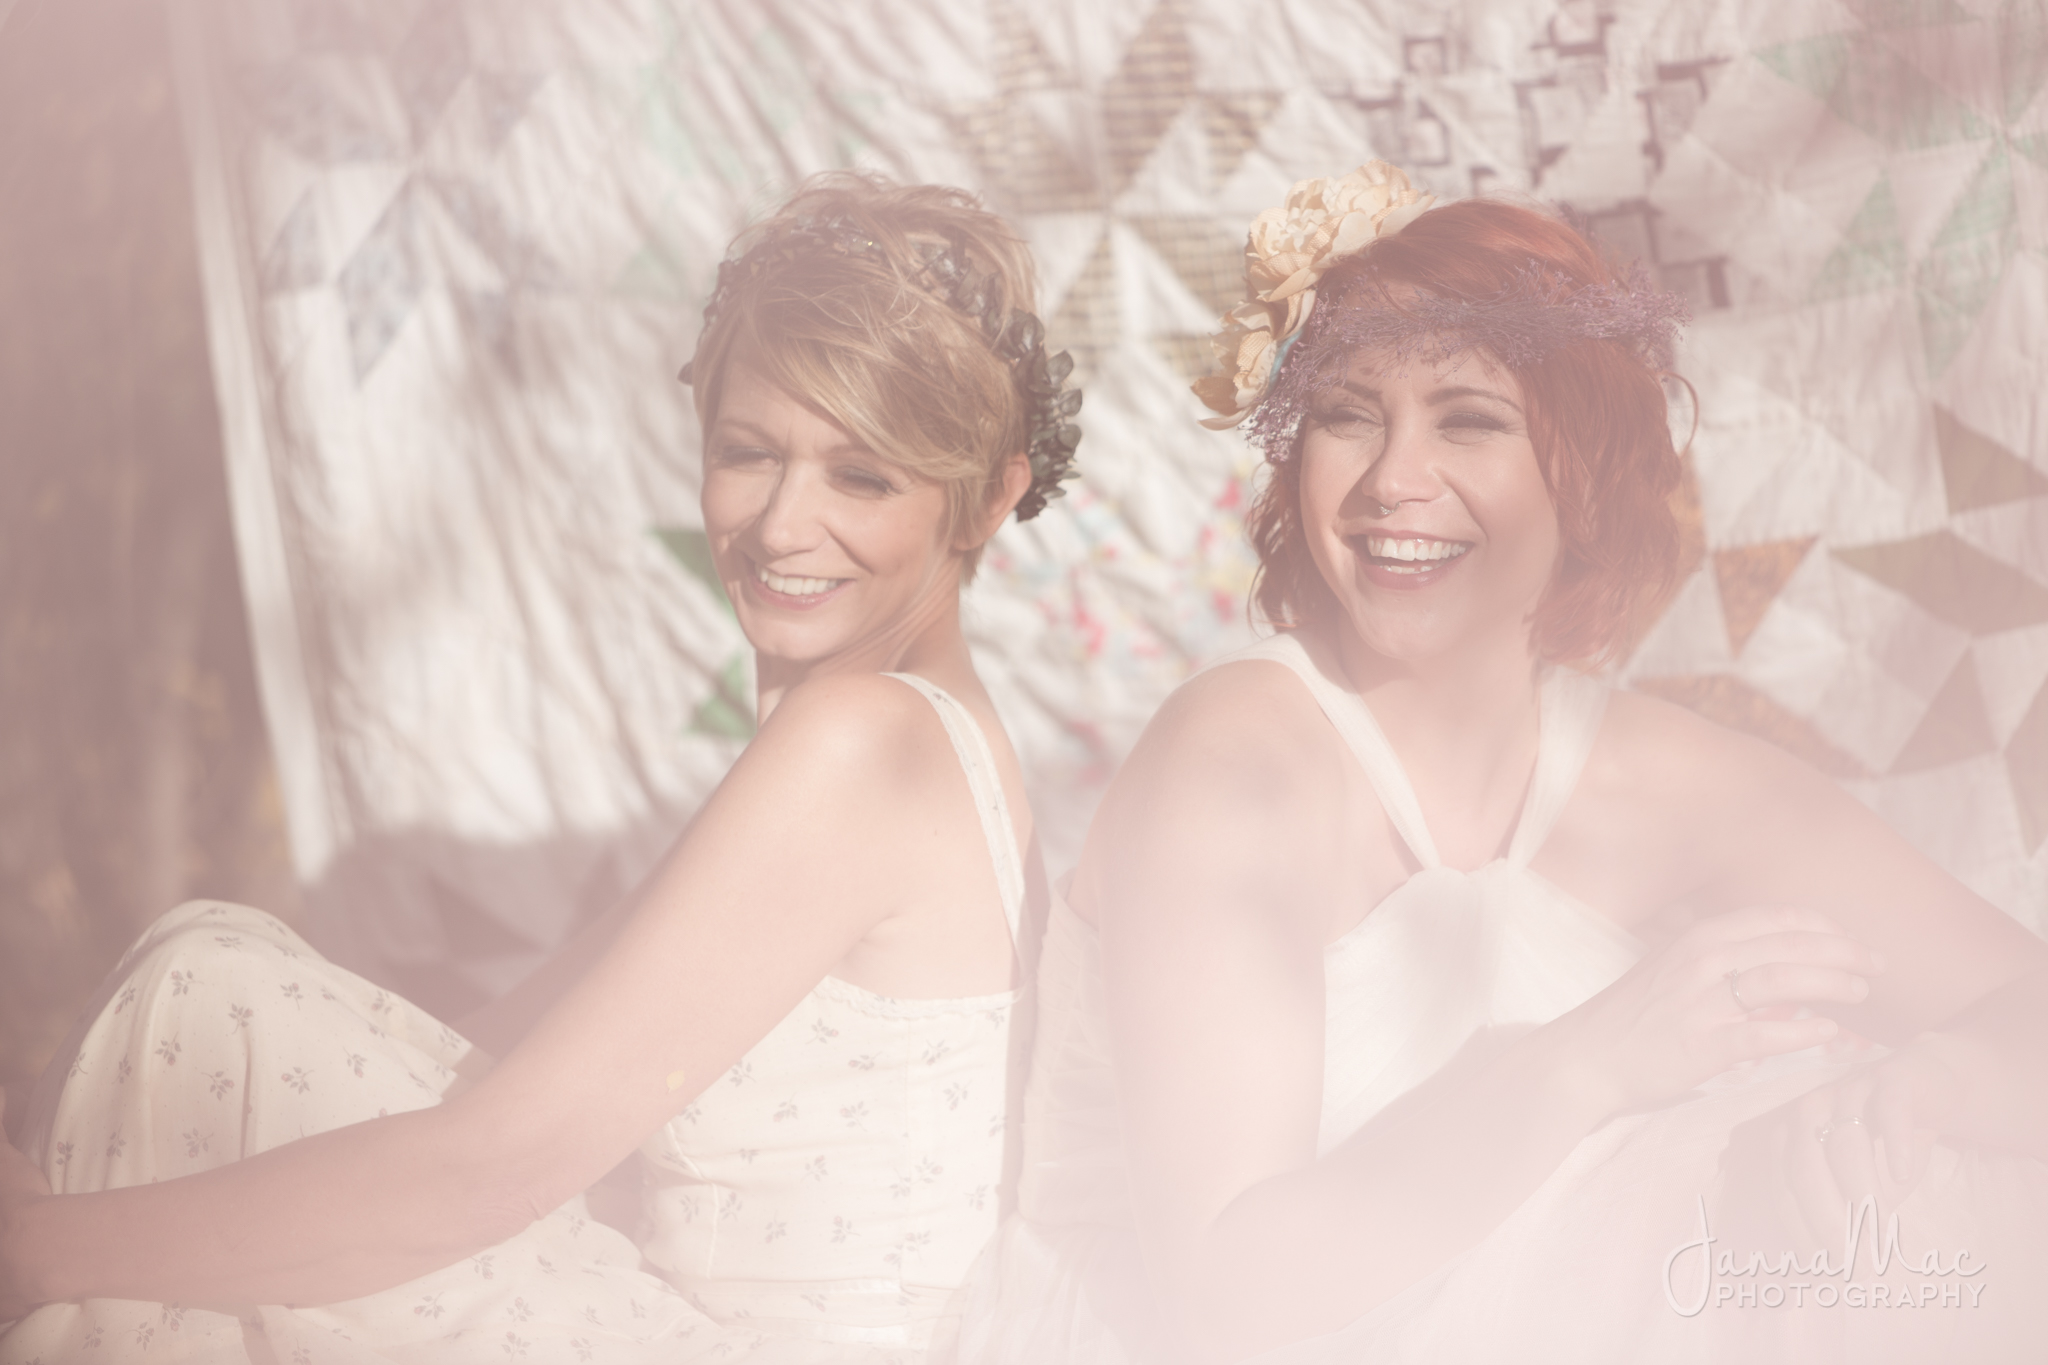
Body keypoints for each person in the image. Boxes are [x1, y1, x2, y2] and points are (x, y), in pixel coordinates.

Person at [960, 163, 2048, 1364]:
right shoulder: (1235, 763)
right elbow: (1218, 1304)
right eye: (1347, 415)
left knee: (1942, 1186)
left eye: (1467, 421)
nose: (1391, 482)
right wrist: (1584, 1063)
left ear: (1580, 474)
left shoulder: (1656, 780)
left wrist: (1931, 1082)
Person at [0, 172, 1082, 1364]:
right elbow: (473, 1063)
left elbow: (488, 1167)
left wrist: (42, 1249)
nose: (780, 525)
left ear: (989, 498)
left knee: (207, 992)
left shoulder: (864, 745)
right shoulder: (921, 743)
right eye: (748, 453)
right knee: (226, 1018)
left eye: (860, 475)